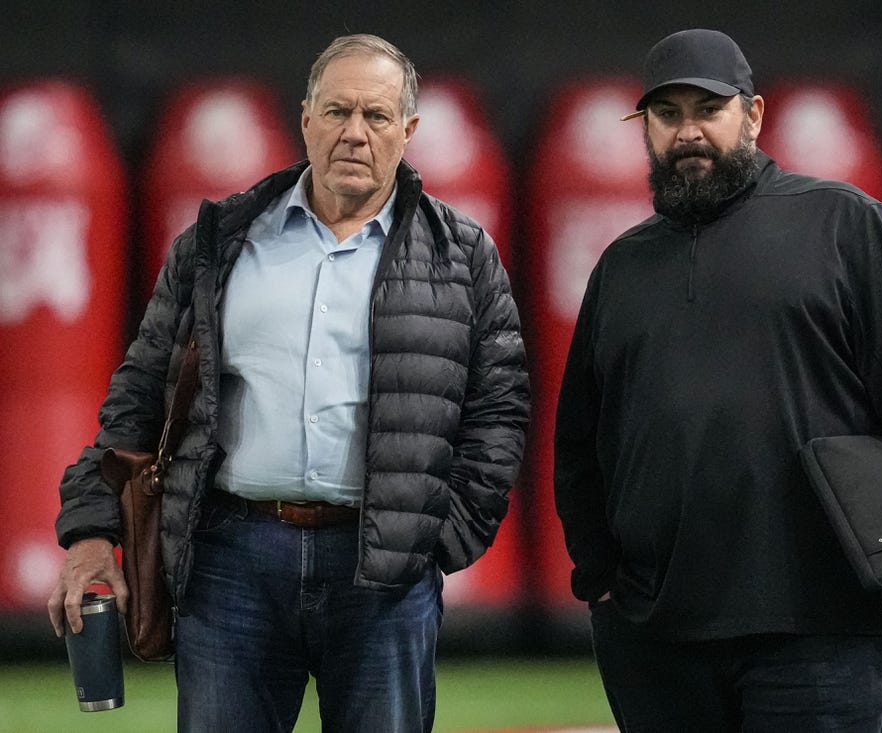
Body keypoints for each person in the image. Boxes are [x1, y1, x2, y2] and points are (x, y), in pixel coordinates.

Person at [48, 33, 529, 733]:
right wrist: (90, 530)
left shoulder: (463, 256)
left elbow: (500, 410)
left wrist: (439, 536)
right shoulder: (218, 241)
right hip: (232, 560)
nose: (355, 133)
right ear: (304, 119)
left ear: (409, 130)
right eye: (336, 112)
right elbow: (139, 392)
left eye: (376, 115)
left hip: (383, 569)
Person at [554, 28, 882, 732]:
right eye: (666, 114)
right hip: (659, 637)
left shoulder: (843, 222)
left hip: (826, 627)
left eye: (708, 108)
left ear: (754, 115)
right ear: (645, 128)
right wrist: (599, 578)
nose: (688, 131)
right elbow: (581, 438)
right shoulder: (622, 267)